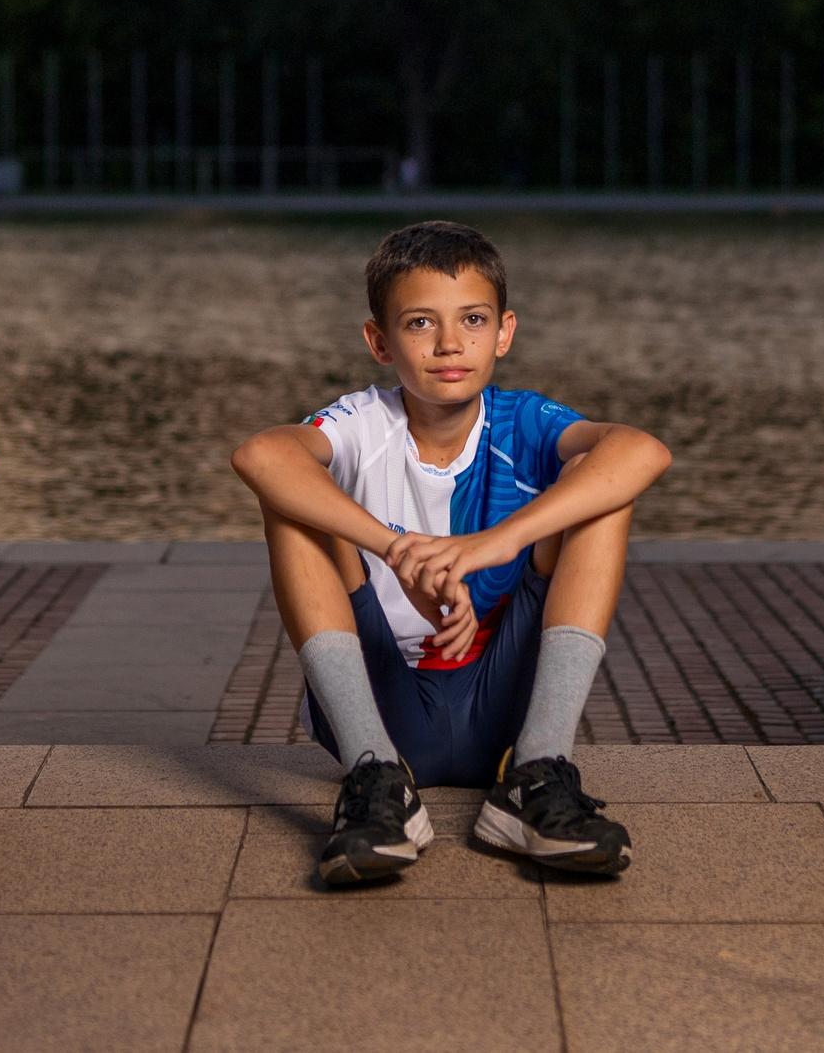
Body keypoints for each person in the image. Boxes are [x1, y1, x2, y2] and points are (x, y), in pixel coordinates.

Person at [230, 221, 672, 884]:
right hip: (385, 698)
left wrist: (487, 545)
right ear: (379, 340)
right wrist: (398, 550)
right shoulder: (363, 424)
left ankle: (536, 774)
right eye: (418, 323)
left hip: (506, 703)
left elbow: (644, 449)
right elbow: (259, 453)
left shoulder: (523, 421)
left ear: (504, 331)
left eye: (472, 318)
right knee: (289, 495)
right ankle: (376, 781)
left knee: (601, 482)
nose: (448, 343)